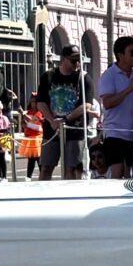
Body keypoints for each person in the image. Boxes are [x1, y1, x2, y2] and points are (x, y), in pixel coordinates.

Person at [97, 36, 133, 176]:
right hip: (115, 132)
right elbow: (107, 103)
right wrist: (128, 90)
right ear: (120, 55)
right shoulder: (109, 75)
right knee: (117, 173)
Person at [43, 50, 90, 179]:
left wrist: (66, 119)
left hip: (74, 130)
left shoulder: (83, 77)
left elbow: (86, 104)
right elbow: (41, 102)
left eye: (79, 60)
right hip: (51, 130)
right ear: (63, 59)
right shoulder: (49, 76)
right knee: (46, 167)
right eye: (73, 60)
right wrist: (52, 121)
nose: (77, 63)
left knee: (72, 168)